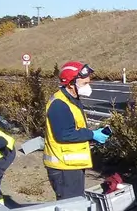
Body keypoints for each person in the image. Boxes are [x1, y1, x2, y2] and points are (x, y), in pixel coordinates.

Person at [44, 61, 109, 200]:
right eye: (84, 83)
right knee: (70, 208)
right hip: (64, 168)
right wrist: (91, 134)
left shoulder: (72, 99)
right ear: (70, 84)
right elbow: (64, 135)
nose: (88, 86)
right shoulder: (59, 105)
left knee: (75, 204)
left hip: (70, 166)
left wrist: (92, 136)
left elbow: (73, 128)